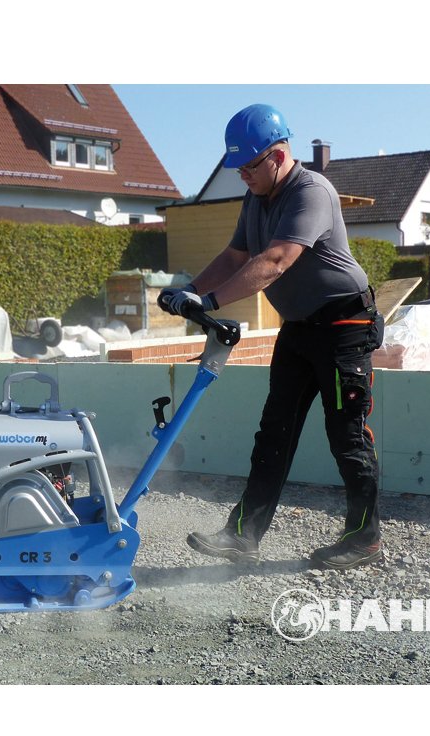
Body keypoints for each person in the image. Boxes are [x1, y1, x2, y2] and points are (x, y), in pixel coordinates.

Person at [159, 103, 385, 570]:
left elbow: (276, 260)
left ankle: (364, 538)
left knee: (347, 436)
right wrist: (190, 291)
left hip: (345, 326)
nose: (243, 176)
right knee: (273, 433)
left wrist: (211, 302)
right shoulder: (256, 198)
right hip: (300, 327)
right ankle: (242, 535)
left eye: (249, 167)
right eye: (238, 169)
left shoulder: (311, 191)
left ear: (278, 156)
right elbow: (235, 256)